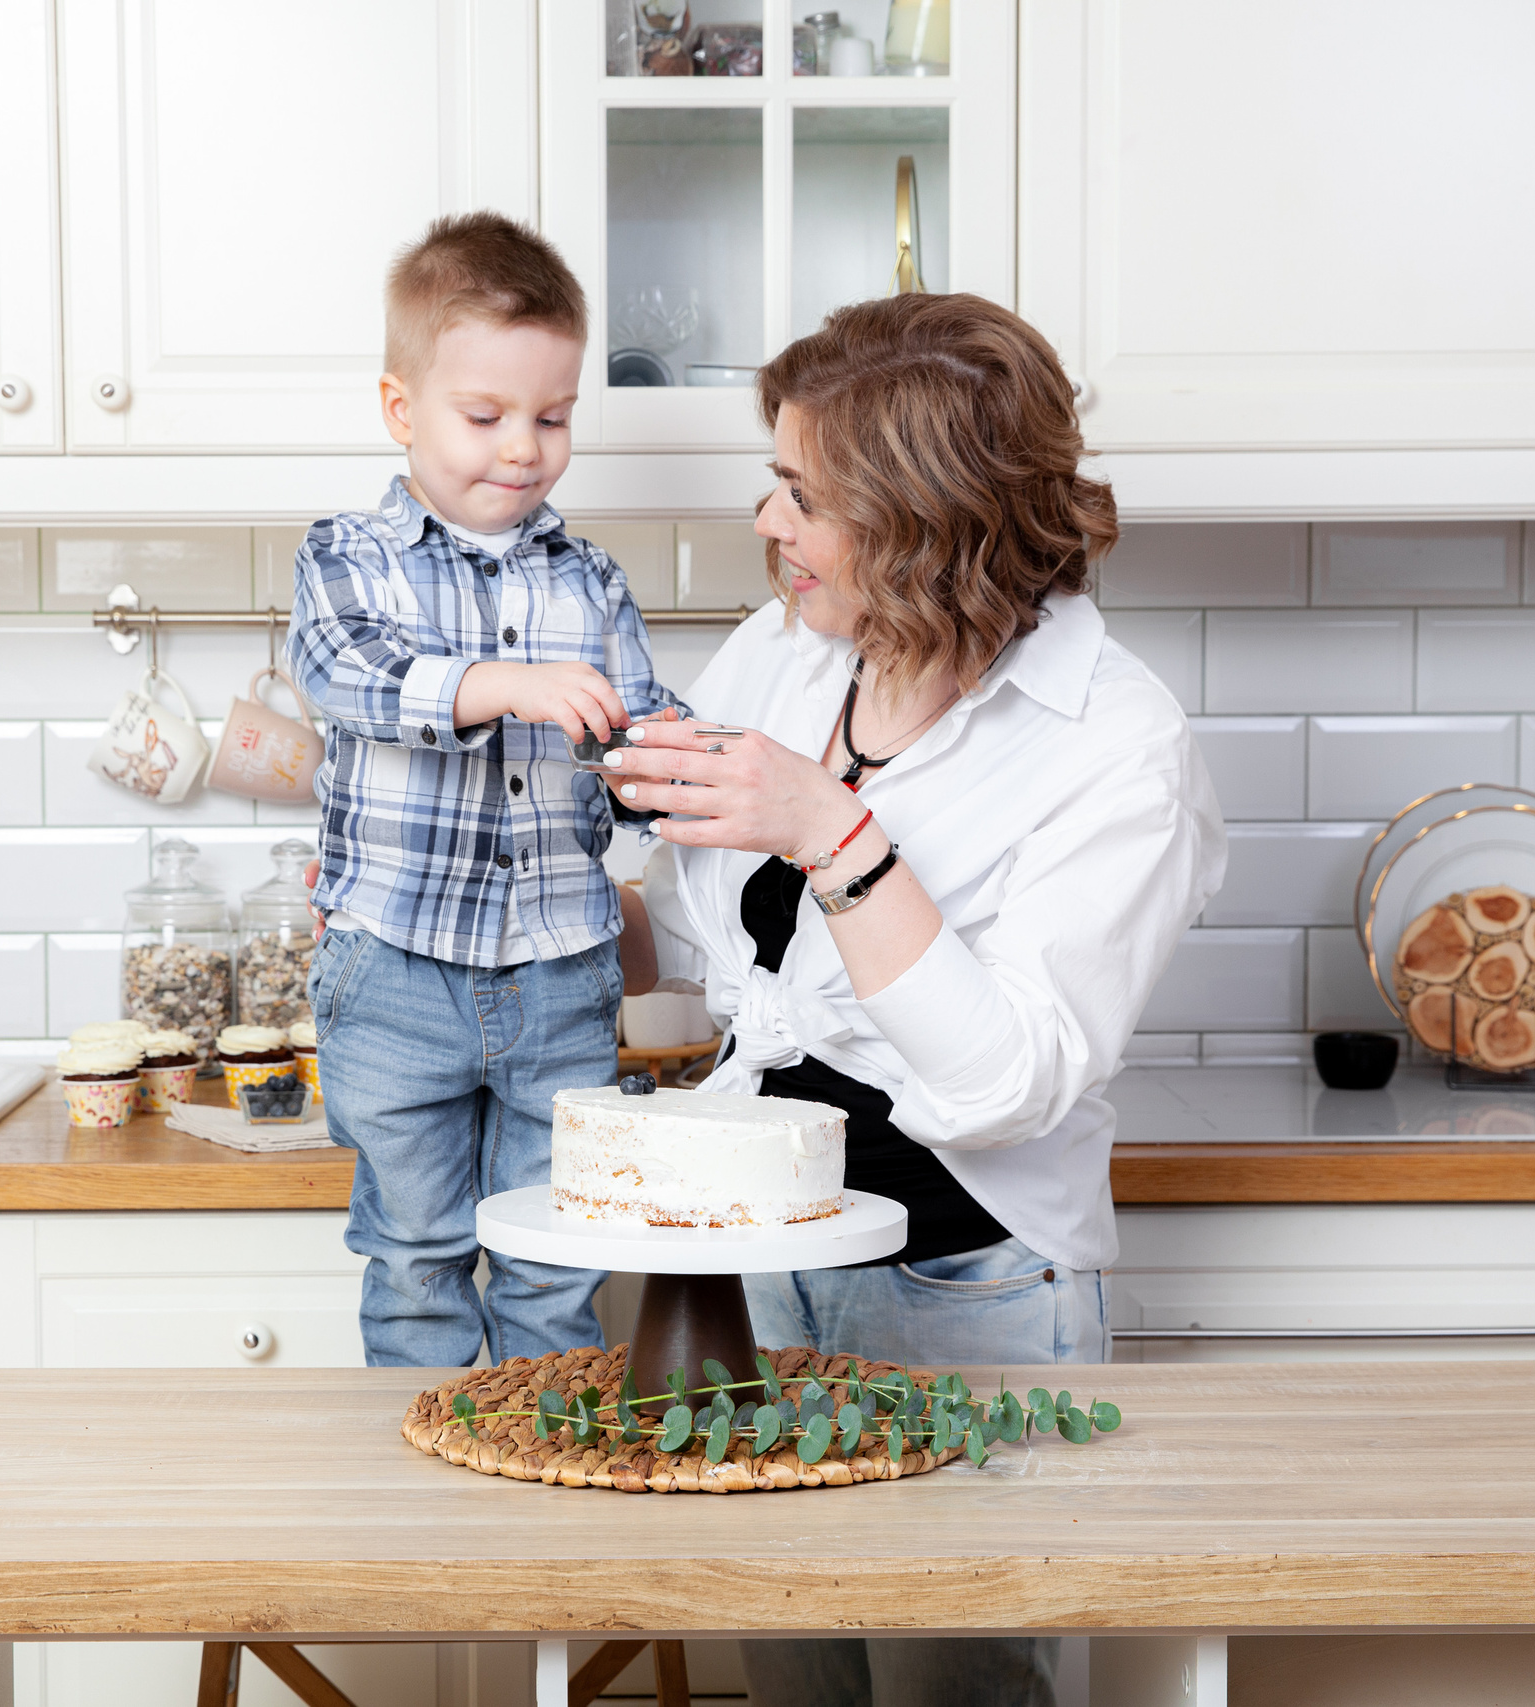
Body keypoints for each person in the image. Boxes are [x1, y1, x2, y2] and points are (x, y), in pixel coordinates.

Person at [602, 292, 1226, 1707]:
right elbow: (709, 960)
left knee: (964, 1684)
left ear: (926, 518)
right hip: (757, 1262)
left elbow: (1010, 1077)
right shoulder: (789, 652)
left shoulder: (1120, 745)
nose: (766, 520)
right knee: (791, 1672)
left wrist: (835, 832)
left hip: (967, 1285)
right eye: (774, 477)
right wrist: (508, 919)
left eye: (804, 495)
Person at [291, 212, 685, 1368]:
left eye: (553, 418)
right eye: (486, 416)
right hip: (393, 970)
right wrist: (505, 685)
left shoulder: (593, 579)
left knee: (556, 1260)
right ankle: (428, 1521)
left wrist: (663, 761)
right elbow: (347, 678)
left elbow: (624, 756)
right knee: (413, 1259)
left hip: (562, 969)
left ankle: (535, 1498)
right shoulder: (347, 554)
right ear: (400, 409)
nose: (523, 447)